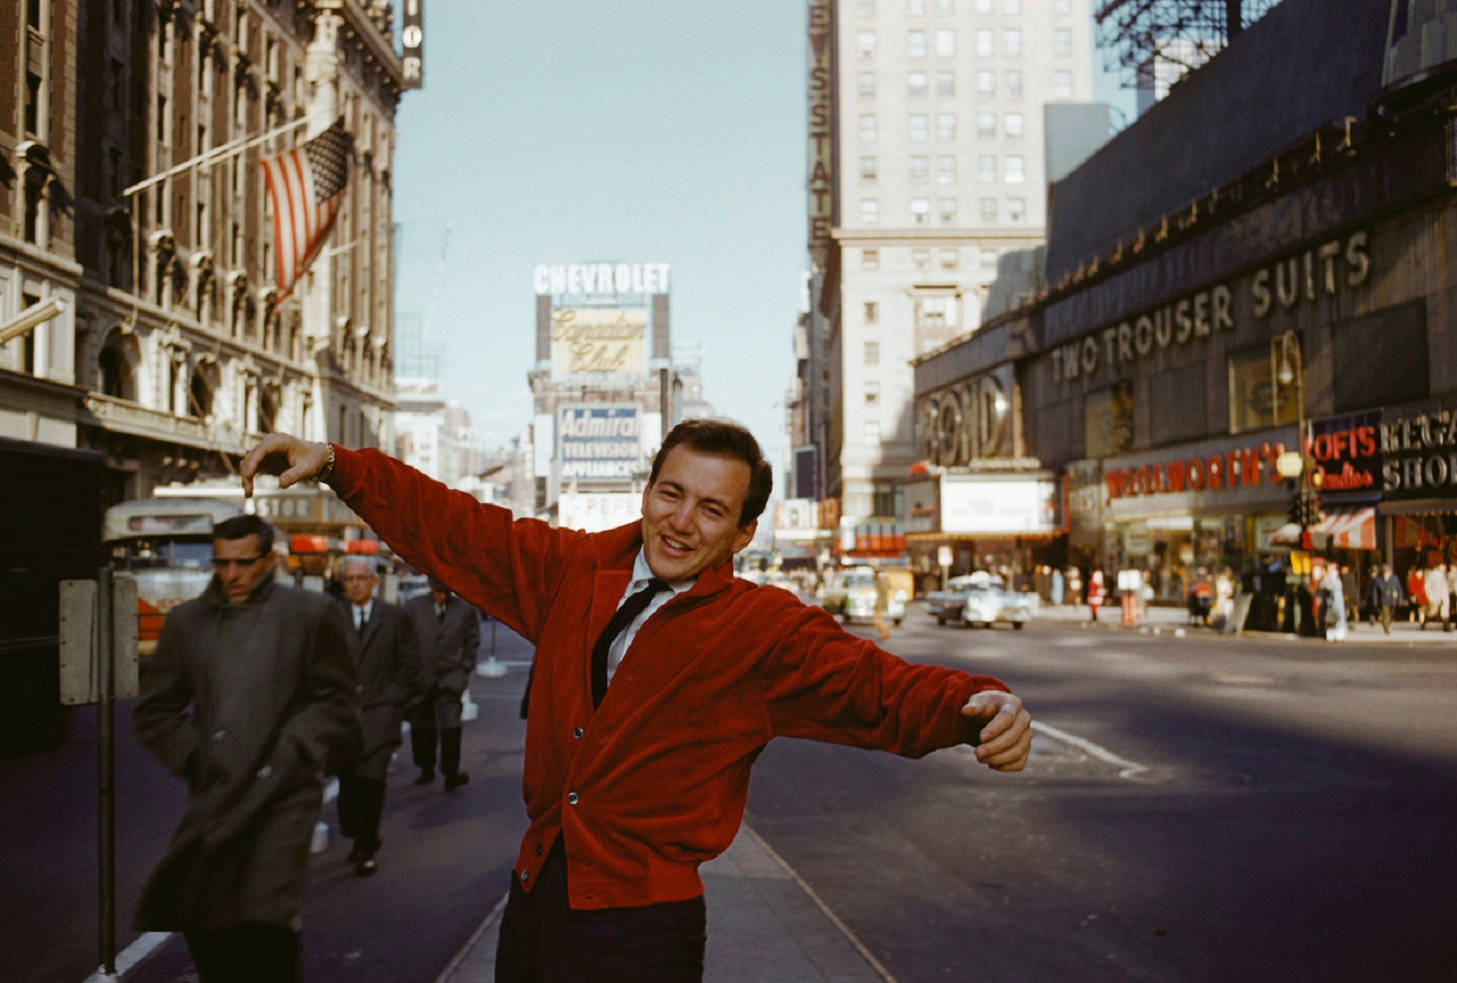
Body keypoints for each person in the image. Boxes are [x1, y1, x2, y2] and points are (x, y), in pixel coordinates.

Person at [241, 420, 1031, 983]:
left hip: (642, 929)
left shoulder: (762, 629)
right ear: (648, 488)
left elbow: (876, 688)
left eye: (711, 509)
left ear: (743, 532)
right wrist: (341, 465)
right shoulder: (575, 569)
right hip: (535, 895)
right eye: (670, 492)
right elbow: (458, 527)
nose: (680, 522)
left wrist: (977, 704)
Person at [133, 515, 357, 983]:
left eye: (244, 563)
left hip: (284, 791)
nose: (231, 575)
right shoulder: (187, 623)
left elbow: (336, 699)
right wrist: (197, 756)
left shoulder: (309, 615)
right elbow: (156, 710)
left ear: (269, 561)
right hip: (217, 791)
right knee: (209, 922)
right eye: (222, 563)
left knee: (266, 921)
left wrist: (297, 745)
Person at [334, 555, 418, 875]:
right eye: (349, 579)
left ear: (373, 581)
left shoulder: (393, 617)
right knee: (348, 782)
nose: (355, 584)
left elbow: (409, 662)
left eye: (361, 578)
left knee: (371, 782)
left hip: (380, 714)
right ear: (343, 584)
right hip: (342, 718)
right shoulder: (332, 617)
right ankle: (356, 833)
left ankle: (366, 847)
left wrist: (395, 699)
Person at [402, 577, 480, 790]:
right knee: (422, 727)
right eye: (438, 592)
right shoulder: (413, 607)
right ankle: (425, 768)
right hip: (421, 678)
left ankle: (451, 772)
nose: (442, 596)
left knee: (451, 727)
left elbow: (472, 641)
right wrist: (410, 672)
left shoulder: (464, 610)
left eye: (446, 592)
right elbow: (404, 641)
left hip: (451, 678)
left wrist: (464, 670)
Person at [1369, 563, 1404, 635]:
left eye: (1387, 572)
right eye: (1385, 572)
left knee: (1391, 614)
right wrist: (1375, 600)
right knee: (1385, 614)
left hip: (1393, 599)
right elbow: (1375, 592)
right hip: (1384, 600)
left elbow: (1399, 589)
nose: (1386, 573)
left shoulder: (1394, 579)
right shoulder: (1379, 580)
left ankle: (1387, 624)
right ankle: (1386, 627)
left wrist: (1400, 598)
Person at [1320, 561, 1347, 641]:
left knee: (1334, 620)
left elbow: (1326, 587)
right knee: (1334, 620)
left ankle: (1335, 634)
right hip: (1333, 604)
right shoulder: (1335, 579)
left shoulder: (1332, 579)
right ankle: (1335, 633)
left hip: (1334, 604)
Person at [1422, 562, 1451, 630]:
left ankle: (1446, 626)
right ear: (1438, 567)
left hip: (1443, 596)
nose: (1444, 568)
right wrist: (1430, 596)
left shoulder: (1445, 575)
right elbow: (1427, 586)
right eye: (1442, 567)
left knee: (1445, 611)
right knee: (1432, 612)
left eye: (1444, 567)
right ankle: (1424, 622)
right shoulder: (1432, 575)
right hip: (1435, 596)